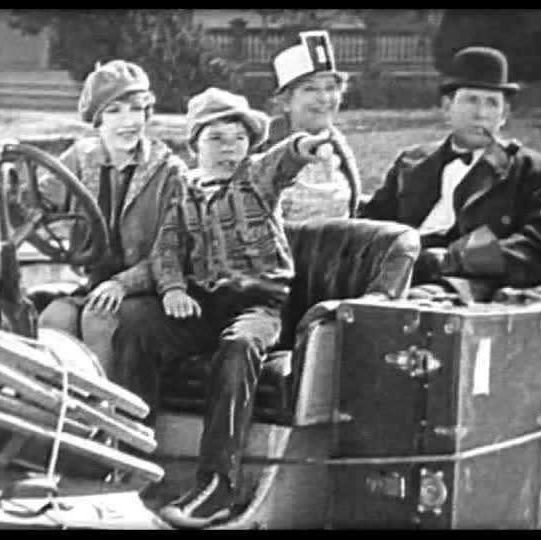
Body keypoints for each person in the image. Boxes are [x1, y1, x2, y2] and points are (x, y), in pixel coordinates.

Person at [121, 87, 335, 528]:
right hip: (203, 305)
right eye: (216, 139)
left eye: (239, 139)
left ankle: (218, 483)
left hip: (259, 305)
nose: (228, 149)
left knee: (238, 347)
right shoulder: (184, 190)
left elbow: (283, 159)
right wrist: (172, 290)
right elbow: (166, 249)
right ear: (194, 146)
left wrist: (304, 147)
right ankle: (129, 458)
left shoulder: (255, 179)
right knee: (136, 323)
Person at [359, 46, 541, 300]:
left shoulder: (527, 169)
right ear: (447, 106)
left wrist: (456, 259)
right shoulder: (411, 163)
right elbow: (370, 224)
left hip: (465, 288)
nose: (481, 114)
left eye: (492, 103)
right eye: (471, 100)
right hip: (394, 273)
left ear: (504, 115)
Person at [31, 60, 188, 378]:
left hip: (151, 287)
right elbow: (41, 201)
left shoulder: (169, 171)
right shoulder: (80, 158)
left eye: (137, 109)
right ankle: (59, 400)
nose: (128, 122)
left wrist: (122, 284)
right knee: (54, 318)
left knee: (99, 320)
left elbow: (175, 251)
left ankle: (103, 405)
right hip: (94, 283)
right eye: (114, 111)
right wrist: (17, 195)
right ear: (97, 119)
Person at [261, 30, 362, 223]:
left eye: (331, 88)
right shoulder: (265, 150)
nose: (324, 98)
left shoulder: (338, 146)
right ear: (285, 102)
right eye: (310, 89)